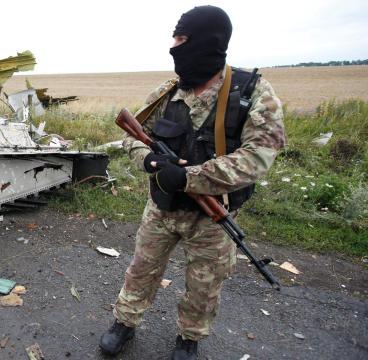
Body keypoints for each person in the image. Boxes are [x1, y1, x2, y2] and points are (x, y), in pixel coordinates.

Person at [99, 5, 286, 360]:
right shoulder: (167, 92)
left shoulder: (252, 93)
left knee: (204, 286)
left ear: (208, 42)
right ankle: (124, 322)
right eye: (174, 38)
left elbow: (258, 158)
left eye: (182, 39)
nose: (174, 47)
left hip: (212, 216)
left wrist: (188, 177)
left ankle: (189, 338)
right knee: (141, 270)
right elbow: (133, 137)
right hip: (161, 208)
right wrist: (151, 160)